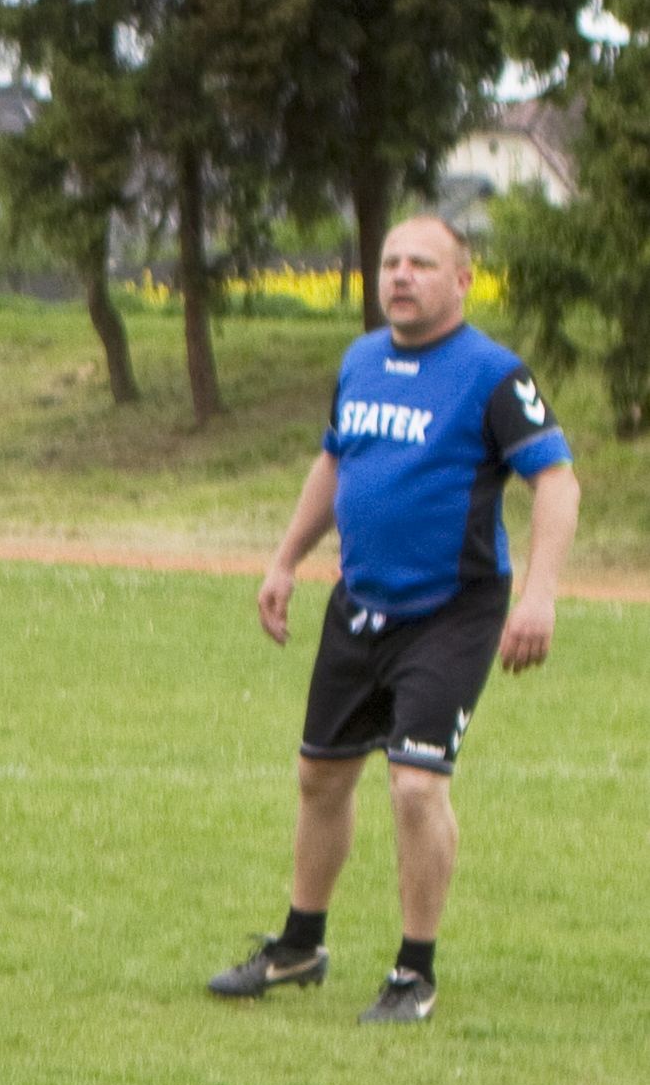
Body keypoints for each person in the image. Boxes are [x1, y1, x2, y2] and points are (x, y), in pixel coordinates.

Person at [210, 213, 578, 1024]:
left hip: (451, 612)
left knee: (415, 785)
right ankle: (300, 945)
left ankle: (414, 972)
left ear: (462, 280)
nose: (401, 276)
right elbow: (337, 460)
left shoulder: (493, 375)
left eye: (421, 263)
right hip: (358, 604)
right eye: (389, 263)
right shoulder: (361, 359)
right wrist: (284, 559)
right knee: (321, 776)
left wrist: (541, 594)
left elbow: (556, 480)